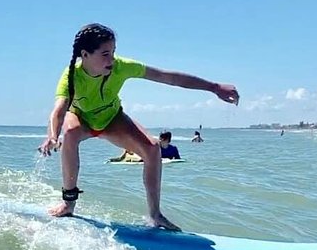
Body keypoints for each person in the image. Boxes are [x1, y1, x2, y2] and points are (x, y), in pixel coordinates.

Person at [38, 23, 239, 231]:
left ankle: (155, 215)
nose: (112, 59)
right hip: (81, 119)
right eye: (105, 54)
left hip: (112, 119)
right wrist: (52, 135)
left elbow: (168, 77)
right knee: (69, 133)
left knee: (152, 148)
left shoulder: (122, 67)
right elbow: (59, 110)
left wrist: (214, 87)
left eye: (114, 52)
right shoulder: (71, 75)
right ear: (85, 54)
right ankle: (68, 203)